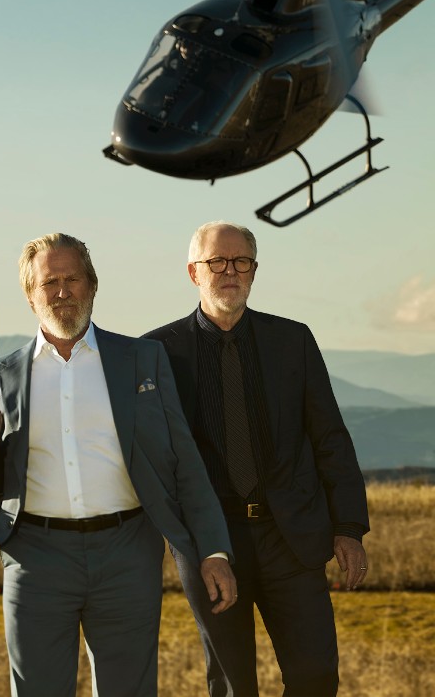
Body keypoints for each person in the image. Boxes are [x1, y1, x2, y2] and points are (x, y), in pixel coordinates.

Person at [0, 232, 236, 697]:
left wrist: (214, 551)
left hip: (128, 554)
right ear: (31, 296)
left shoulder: (143, 360)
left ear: (93, 285)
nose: (63, 291)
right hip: (35, 558)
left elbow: (186, 463)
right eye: (50, 283)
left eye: (73, 279)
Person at [143, 221, 370, 697]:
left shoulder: (293, 340)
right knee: (230, 685)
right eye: (217, 262)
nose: (230, 271)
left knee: (315, 678)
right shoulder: (156, 353)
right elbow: (150, 457)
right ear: (193, 273)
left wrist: (348, 526)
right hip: (211, 542)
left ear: (254, 271)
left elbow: (330, 436)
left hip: (292, 537)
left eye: (241, 261)